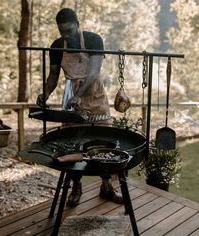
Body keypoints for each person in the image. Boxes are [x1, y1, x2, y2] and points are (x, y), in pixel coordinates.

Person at [36, 8, 123, 207]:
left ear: (77, 24)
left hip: (95, 97)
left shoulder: (94, 40)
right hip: (71, 97)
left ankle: (107, 185)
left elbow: (93, 73)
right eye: (62, 32)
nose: (65, 35)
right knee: (73, 144)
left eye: (69, 31)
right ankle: (76, 187)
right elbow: (53, 77)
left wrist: (79, 95)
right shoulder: (57, 46)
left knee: (103, 143)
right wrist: (45, 93)